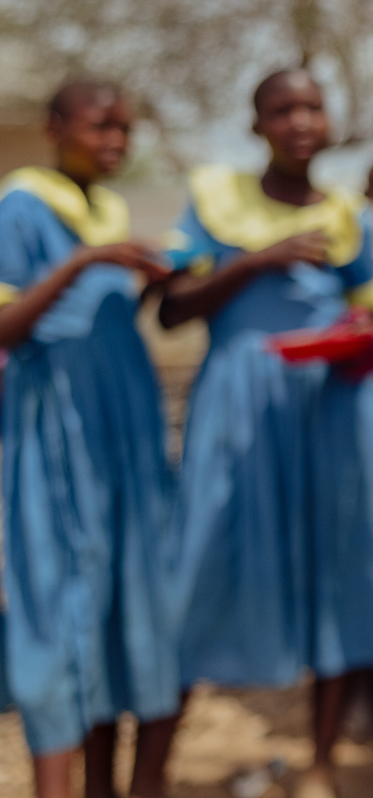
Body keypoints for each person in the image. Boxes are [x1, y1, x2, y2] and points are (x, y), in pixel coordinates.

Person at [161, 69, 373, 798]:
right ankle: (157, 766)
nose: (300, 121)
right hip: (238, 405)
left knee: (336, 571)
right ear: (257, 124)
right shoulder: (216, 198)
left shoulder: (351, 216)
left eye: (312, 107)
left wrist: (361, 335)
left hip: (330, 409)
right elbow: (174, 310)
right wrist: (259, 261)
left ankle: (323, 766)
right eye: (283, 109)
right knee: (203, 564)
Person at [0, 80, 180, 798]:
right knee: (56, 601)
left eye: (125, 130)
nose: (114, 141)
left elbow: (100, 322)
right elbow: (10, 327)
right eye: (100, 126)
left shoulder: (108, 207)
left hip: (123, 437)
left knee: (121, 603)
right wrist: (80, 262)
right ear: (54, 128)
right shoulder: (21, 204)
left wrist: (154, 280)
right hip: (56, 435)